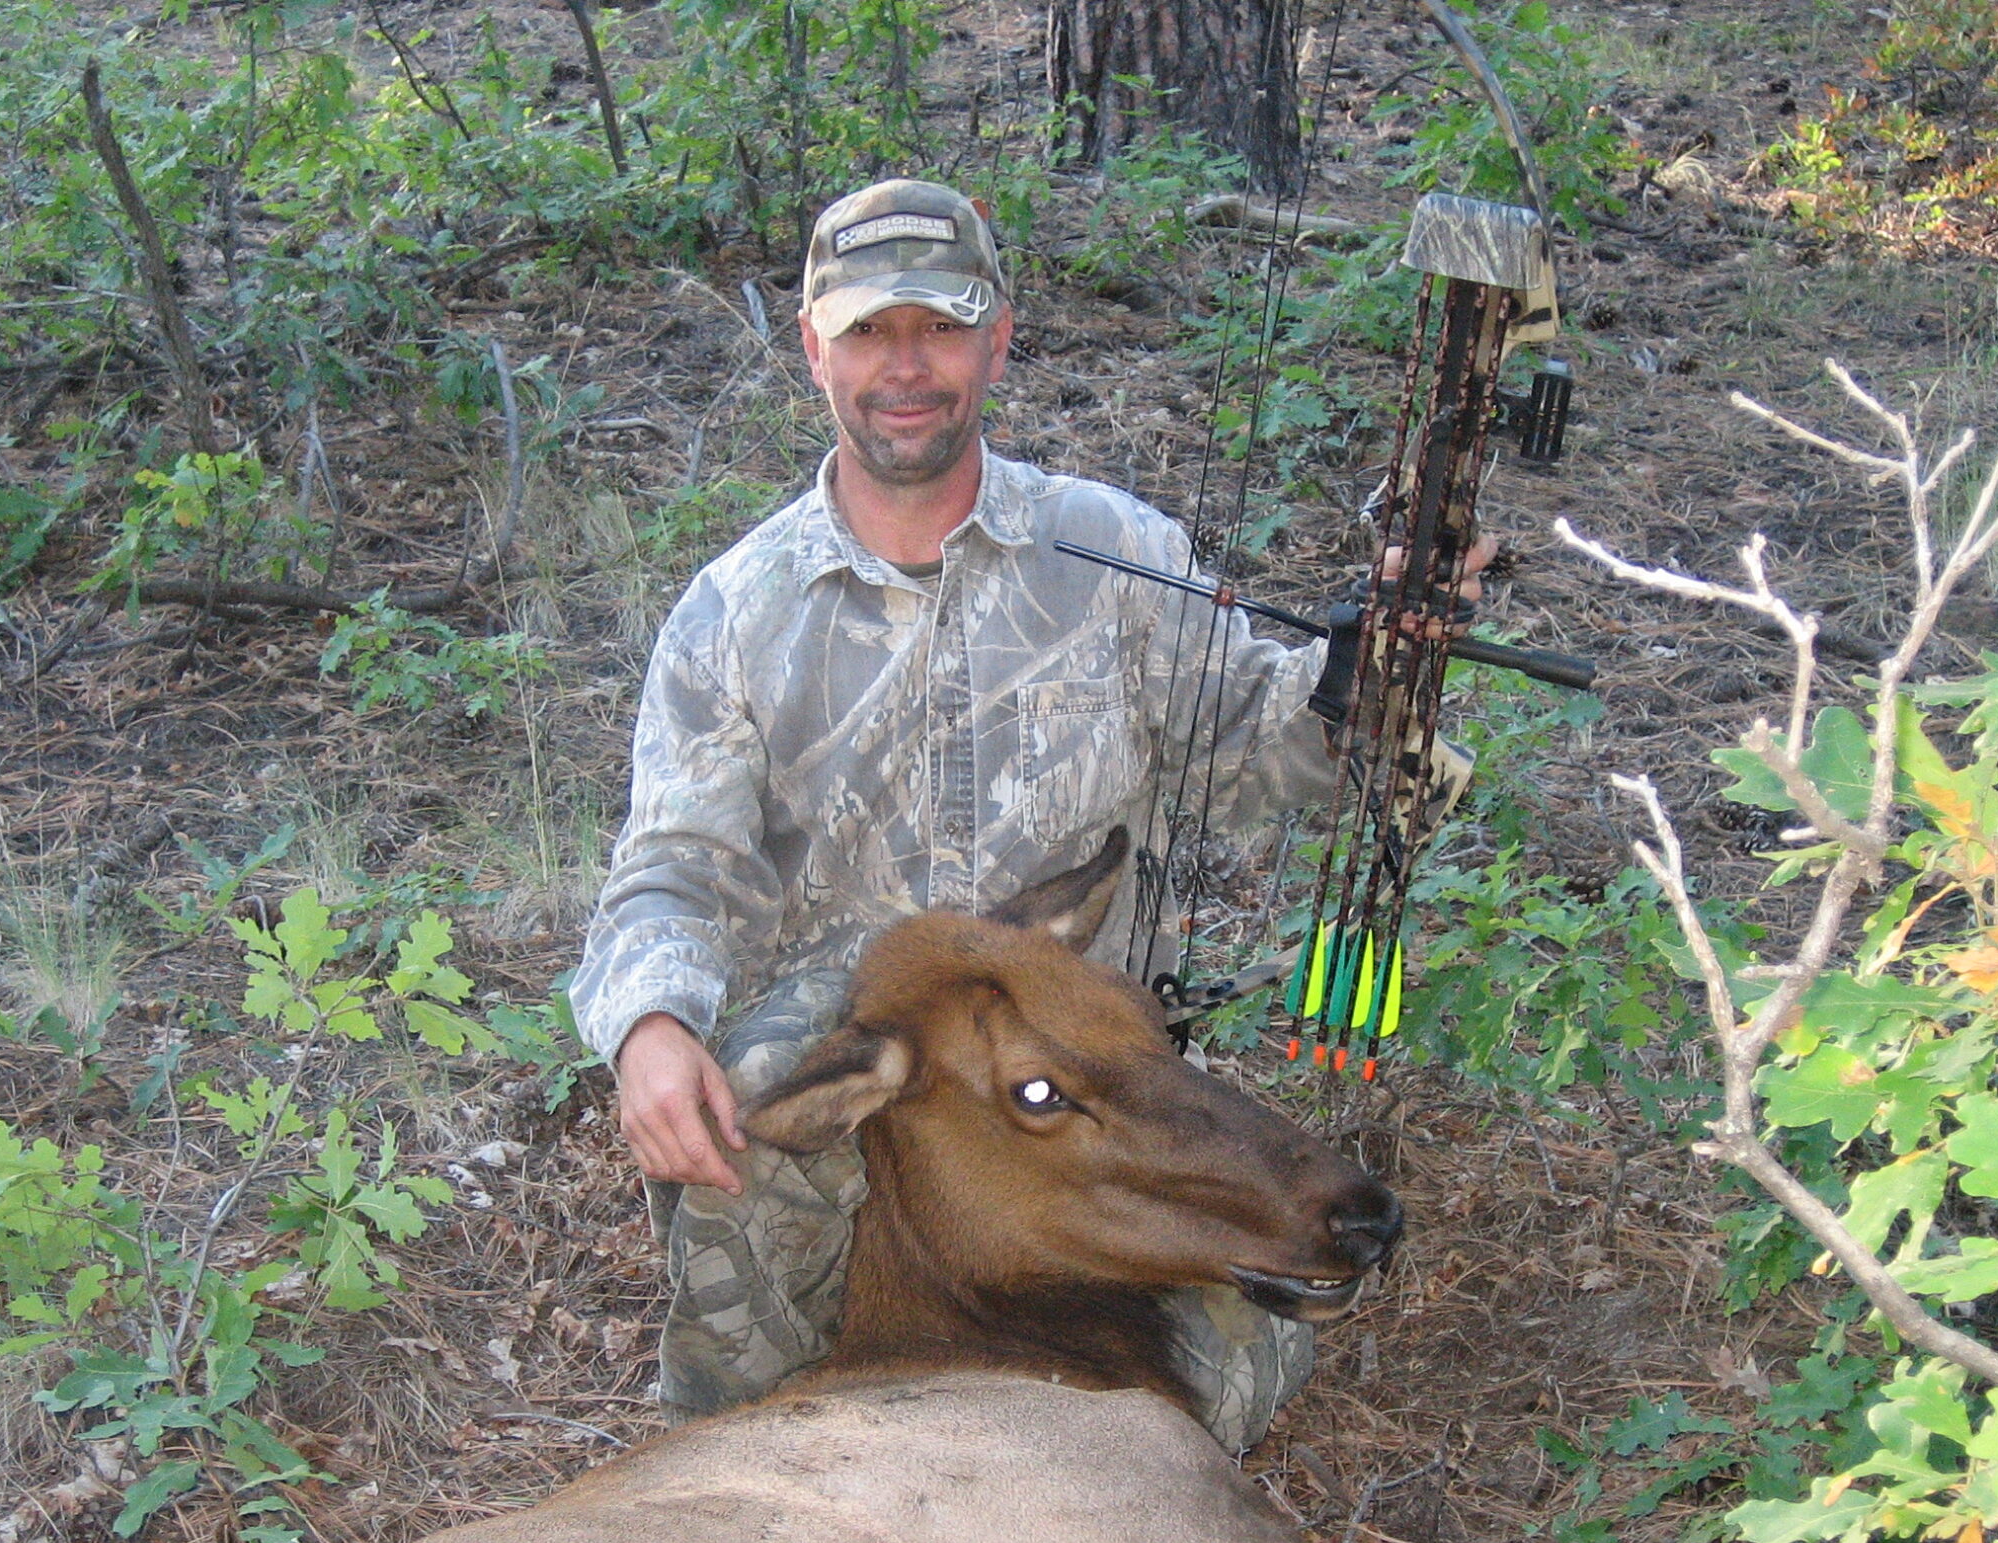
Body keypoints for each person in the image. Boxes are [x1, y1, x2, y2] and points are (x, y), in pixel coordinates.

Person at [569, 179, 1466, 1449]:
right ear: (813, 348)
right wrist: (649, 1027)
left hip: (1069, 1069)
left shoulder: (1110, 553)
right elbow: (669, 870)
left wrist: (1367, 680)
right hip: (849, 1067)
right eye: (871, 332)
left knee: (1206, 1390)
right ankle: (735, 1446)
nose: (907, 367)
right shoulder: (736, 612)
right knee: (745, 1150)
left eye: (940, 327)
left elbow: (1264, 755)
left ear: (999, 337)